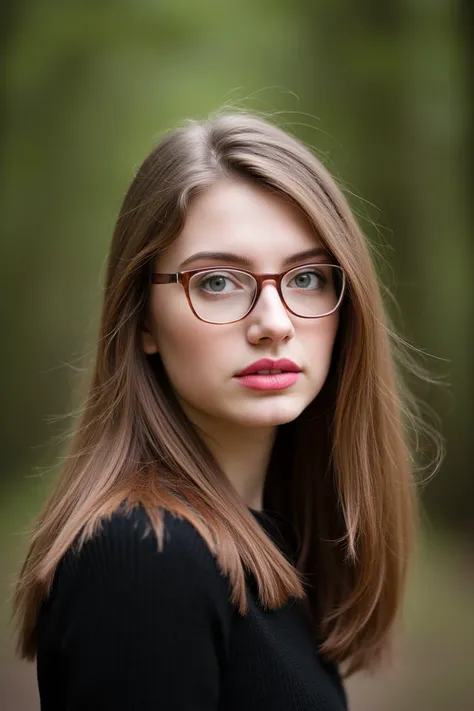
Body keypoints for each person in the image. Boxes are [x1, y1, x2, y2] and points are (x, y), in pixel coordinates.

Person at [12, 109, 441, 710]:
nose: (275, 324)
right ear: (141, 320)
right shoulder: (143, 555)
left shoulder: (270, 534)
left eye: (309, 277)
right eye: (217, 281)